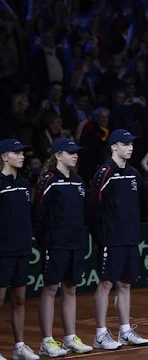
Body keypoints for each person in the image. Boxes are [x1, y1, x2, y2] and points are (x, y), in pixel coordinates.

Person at [89, 129, 148, 350]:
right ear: (113, 146)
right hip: (110, 238)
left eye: (131, 144)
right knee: (106, 283)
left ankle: (125, 331)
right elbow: (94, 206)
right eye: (125, 144)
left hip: (130, 237)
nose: (130, 147)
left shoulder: (134, 173)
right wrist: (101, 235)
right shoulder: (104, 173)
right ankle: (100, 333)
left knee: (125, 283)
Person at [33, 139, 93, 356]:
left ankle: (69, 338)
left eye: (76, 152)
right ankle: (47, 341)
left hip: (75, 244)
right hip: (55, 244)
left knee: (71, 288)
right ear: (58, 155)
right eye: (70, 153)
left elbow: (83, 213)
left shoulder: (78, 181)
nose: (75, 156)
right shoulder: (48, 181)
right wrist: (47, 241)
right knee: (50, 288)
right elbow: (39, 214)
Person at [0, 138, 40, 360]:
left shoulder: (25, 183)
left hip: (22, 249)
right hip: (2, 251)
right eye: (16, 152)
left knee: (20, 300)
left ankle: (19, 347)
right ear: (5, 156)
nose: (22, 155)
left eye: (22, 152)